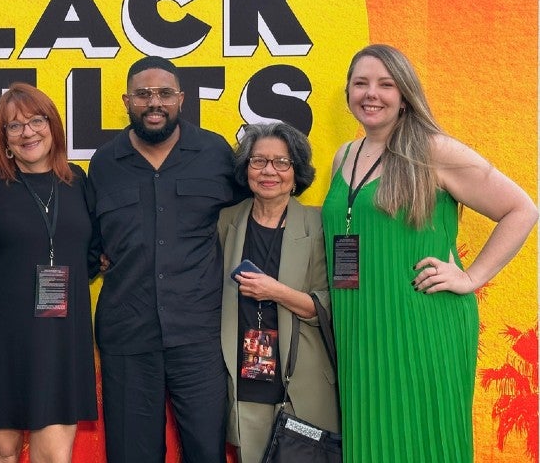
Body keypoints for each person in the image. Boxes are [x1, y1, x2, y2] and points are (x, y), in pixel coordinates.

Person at [322, 44, 538, 462]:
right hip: (360, 323)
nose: (372, 94)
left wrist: (471, 277)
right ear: (348, 91)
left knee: (423, 439)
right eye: (361, 83)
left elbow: (521, 209)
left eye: (386, 84)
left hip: (421, 320)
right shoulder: (344, 156)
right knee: (371, 440)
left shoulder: (434, 150)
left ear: (404, 92)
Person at [87, 55, 242, 463]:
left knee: (207, 452)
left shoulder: (215, 153)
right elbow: (87, 239)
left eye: (164, 94)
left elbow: (251, 219)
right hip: (127, 335)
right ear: (126, 100)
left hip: (200, 335)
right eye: (143, 94)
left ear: (181, 99)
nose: (154, 103)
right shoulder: (104, 162)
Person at [0, 82, 97, 463]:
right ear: (3, 138)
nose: (28, 133)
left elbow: (93, 250)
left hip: (60, 334)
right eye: (14, 126)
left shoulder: (78, 181)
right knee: (0, 452)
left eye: (36, 120)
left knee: (55, 456)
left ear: (53, 125)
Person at [217, 122, 339, 463]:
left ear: (297, 171)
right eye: (258, 161)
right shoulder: (225, 222)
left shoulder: (319, 225)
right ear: (245, 169)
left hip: (304, 379)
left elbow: (334, 303)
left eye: (281, 163)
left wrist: (277, 292)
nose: (269, 171)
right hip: (245, 380)